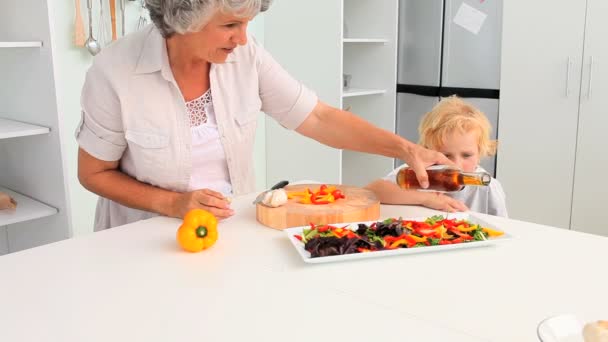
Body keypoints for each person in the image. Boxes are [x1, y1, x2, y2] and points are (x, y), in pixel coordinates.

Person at [76, 0, 453, 231]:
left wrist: (405, 149)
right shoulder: (115, 71)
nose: (242, 38)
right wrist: (173, 203)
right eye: (230, 25)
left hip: (229, 228)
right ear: (183, 19)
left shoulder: (245, 55)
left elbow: (318, 117)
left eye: (246, 24)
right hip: (142, 238)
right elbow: (93, 173)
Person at [366, 96, 508, 217]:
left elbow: (504, 228)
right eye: (446, 155)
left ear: (480, 153)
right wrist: (426, 199)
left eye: (467, 155)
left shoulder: (488, 189)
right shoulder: (415, 175)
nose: (456, 165)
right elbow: (372, 191)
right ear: (428, 152)